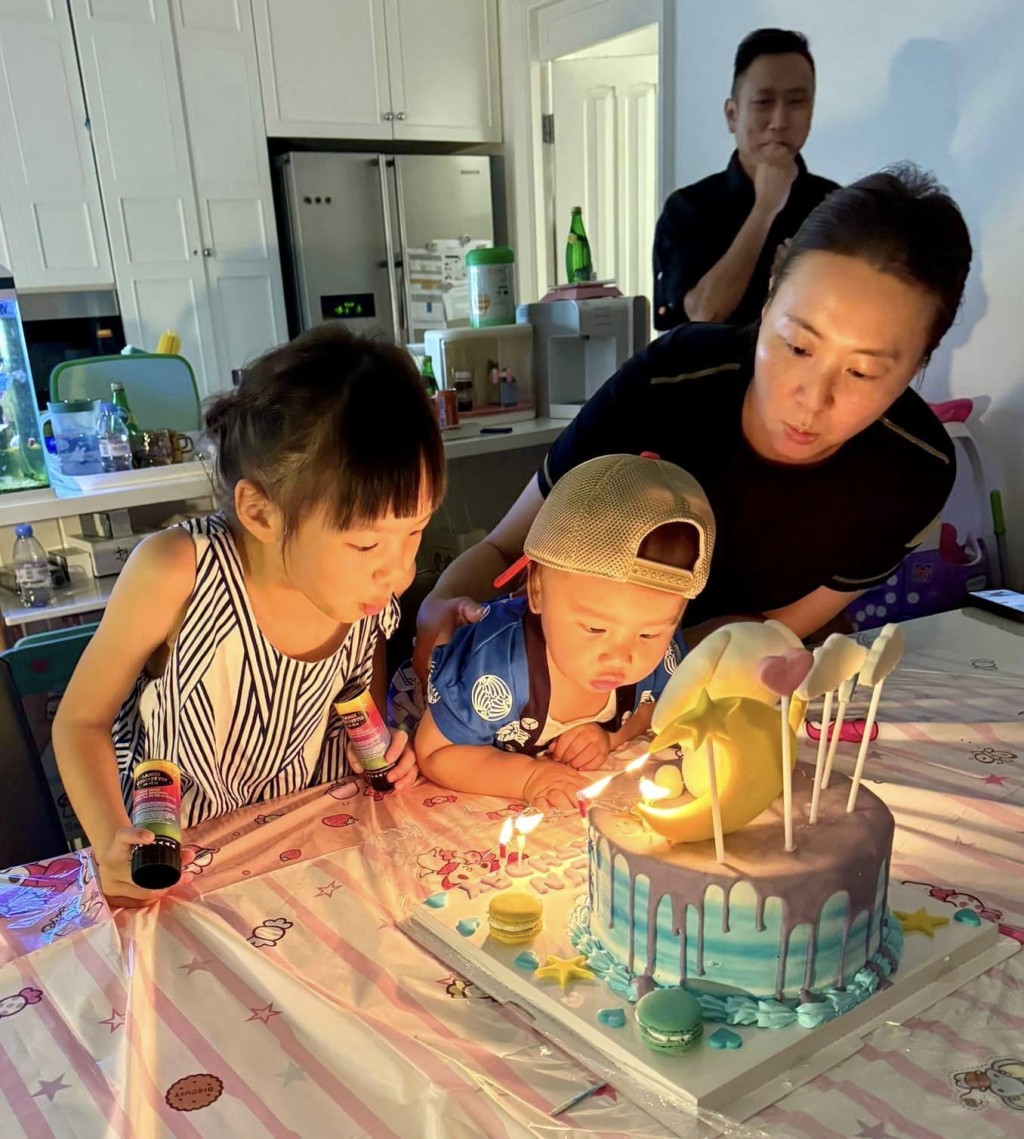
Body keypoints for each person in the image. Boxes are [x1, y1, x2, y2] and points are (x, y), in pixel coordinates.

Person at [416, 163, 972, 678]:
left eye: (863, 372)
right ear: (770, 294)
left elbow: (769, 631)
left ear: (921, 362)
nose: (812, 399)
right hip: (561, 669)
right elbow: (505, 550)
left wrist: (657, 676)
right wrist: (443, 606)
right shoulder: (668, 386)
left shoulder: (911, 471)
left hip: (712, 680)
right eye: (798, 348)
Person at [53, 324, 446, 907]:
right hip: (171, 861)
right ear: (260, 511)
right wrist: (113, 837)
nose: (398, 572)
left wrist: (383, 753)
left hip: (303, 854)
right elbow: (80, 722)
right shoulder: (178, 571)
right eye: (366, 545)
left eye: (415, 531)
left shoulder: (364, 596)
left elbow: (356, 700)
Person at [413, 455, 714, 812]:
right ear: (536, 589)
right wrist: (527, 777)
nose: (621, 656)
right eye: (594, 628)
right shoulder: (494, 667)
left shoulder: (660, 657)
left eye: (649, 634)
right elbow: (435, 751)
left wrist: (612, 734)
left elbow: (659, 705)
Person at [653, 28, 838, 330]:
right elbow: (705, 313)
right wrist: (765, 208)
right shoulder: (688, 208)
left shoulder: (835, 205)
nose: (779, 122)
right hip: (708, 376)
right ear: (732, 115)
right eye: (763, 102)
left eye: (796, 102)